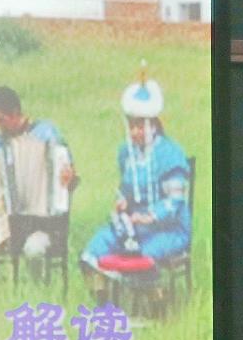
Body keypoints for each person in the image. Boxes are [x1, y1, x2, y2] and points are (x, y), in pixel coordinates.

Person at [80, 75, 192, 280]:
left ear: (153, 125)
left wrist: (149, 216)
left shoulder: (170, 154)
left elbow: (175, 201)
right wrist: (122, 203)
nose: (134, 132)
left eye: (140, 127)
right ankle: (103, 293)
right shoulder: (127, 152)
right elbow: (124, 189)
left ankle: (151, 295)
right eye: (131, 127)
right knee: (97, 246)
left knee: (141, 256)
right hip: (133, 226)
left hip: (168, 229)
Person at [0, 86, 76, 273]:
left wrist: (69, 177)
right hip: (7, 226)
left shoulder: (47, 134)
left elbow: (69, 176)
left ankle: (37, 290)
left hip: (45, 227)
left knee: (33, 250)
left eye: (1, 120)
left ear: (14, 113)